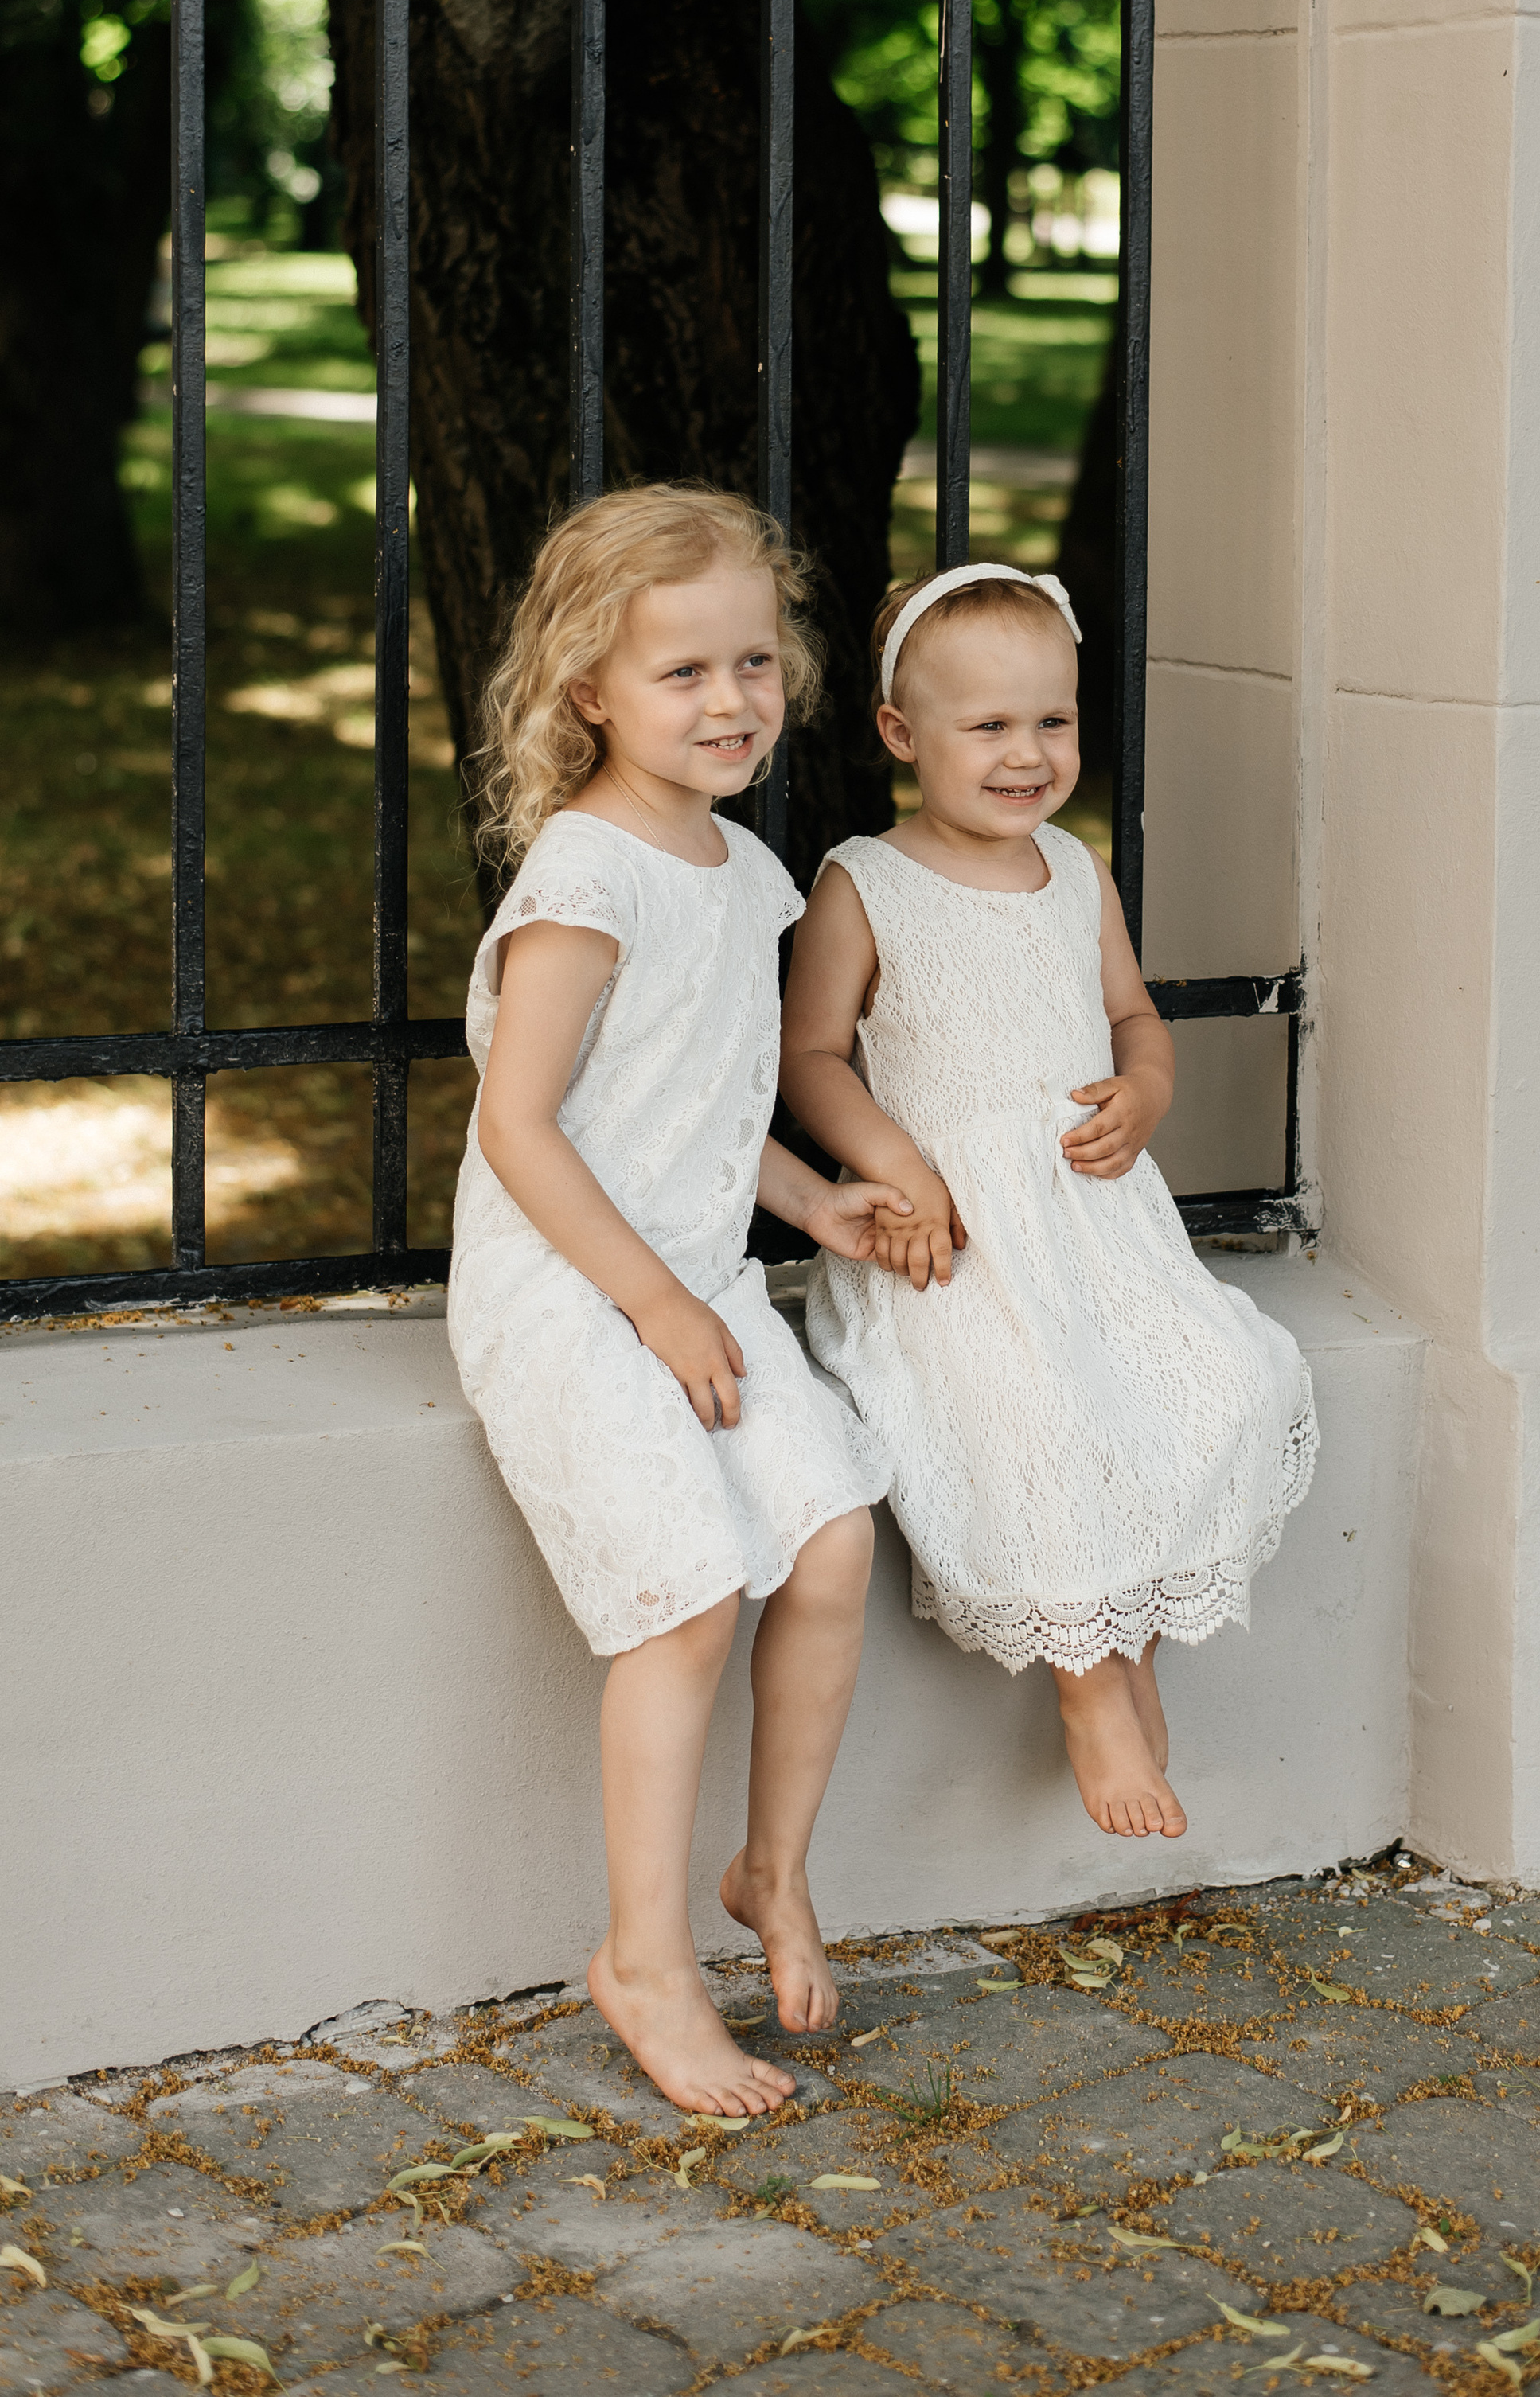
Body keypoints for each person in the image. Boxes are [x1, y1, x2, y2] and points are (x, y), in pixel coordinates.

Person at [448, 483, 906, 2117]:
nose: (729, 704)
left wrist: (813, 1204)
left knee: (834, 1537)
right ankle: (643, 1957)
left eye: (753, 666)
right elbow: (519, 1125)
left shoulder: (744, 867)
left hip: (693, 1279)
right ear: (588, 693)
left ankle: (767, 1869)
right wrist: (654, 1303)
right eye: (680, 676)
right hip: (569, 1288)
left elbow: (709, 1103)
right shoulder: (586, 875)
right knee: (689, 1597)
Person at [782, 562, 1317, 1843]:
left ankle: (1131, 1638)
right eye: (990, 727)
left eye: (1055, 722)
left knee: (1217, 1381)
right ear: (904, 737)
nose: (1029, 755)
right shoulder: (866, 882)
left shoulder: (1075, 872)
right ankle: (1088, 1688)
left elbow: (1132, 1009)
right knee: (1032, 1409)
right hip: (955, 1239)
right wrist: (902, 1170)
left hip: (1089, 1225)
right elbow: (806, 1061)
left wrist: (1146, 1084)